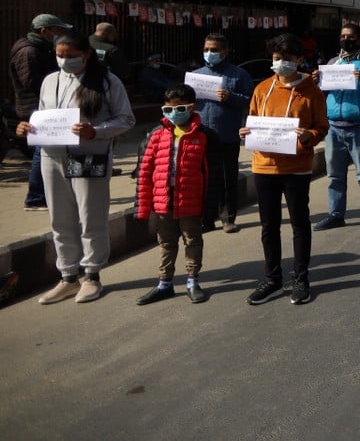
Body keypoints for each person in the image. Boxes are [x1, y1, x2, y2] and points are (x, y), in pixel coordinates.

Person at [16, 30, 135, 304]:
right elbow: (44, 115)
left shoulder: (106, 81)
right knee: (60, 219)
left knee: (90, 218)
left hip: (89, 157)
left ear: (87, 54)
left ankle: (92, 275)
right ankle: (68, 276)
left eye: (71, 56)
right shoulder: (50, 80)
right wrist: (28, 128)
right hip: (51, 157)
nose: (64, 60)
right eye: (59, 55)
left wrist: (96, 131)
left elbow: (126, 120)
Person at [238, 33, 329, 306]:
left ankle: (300, 278)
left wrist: (307, 136)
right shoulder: (262, 88)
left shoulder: (311, 91)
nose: (281, 64)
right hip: (264, 166)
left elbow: (321, 127)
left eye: (287, 59)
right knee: (269, 227)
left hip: (296, 167)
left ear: (299, 60)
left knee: (300, 224)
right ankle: (272, 278)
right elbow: (251, 121)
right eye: (277, 59)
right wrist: (245, 132)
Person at [134, 84, 223, 305]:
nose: (173, 113)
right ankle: (165, 283)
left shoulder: (205, 136)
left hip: (191, 201)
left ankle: (193, 281)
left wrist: (212, 208)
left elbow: (213, 175)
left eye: (180, 108)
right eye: (168, 109)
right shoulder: (155, 135)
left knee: (192, 240)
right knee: (166, 242)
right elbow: (144, 172)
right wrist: (142, 206)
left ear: (192, 107)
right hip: (164, 201)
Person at [314, 22, 360, 233]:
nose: (346, 39)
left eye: (350, 36)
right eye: (342, 36)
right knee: (334, 176)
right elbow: (323, 95)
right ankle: (336, 215)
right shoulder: (332, 63)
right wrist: (316, 83)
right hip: (333, 128)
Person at [9, 13, 72, 211]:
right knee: (42, 152)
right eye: (57, 30)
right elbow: (33, 82)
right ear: (44, 31)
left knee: (46, 151)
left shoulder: (40, 49)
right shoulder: (28, 52)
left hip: (44, 106)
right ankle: (35, 198)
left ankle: (44, 195)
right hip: (36, 108)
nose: (59, 34)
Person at [192, 33, 253, 233]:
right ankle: (207, 219)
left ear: (225, 52)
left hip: (227, 134)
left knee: (228, 178)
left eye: (215, 50)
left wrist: (230, 97)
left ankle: (228, 218)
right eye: (206, 49)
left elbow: (250, 101)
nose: (210, 53)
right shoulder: (196, 75)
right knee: (205, 179)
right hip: (201, 134)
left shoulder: (238, 75)